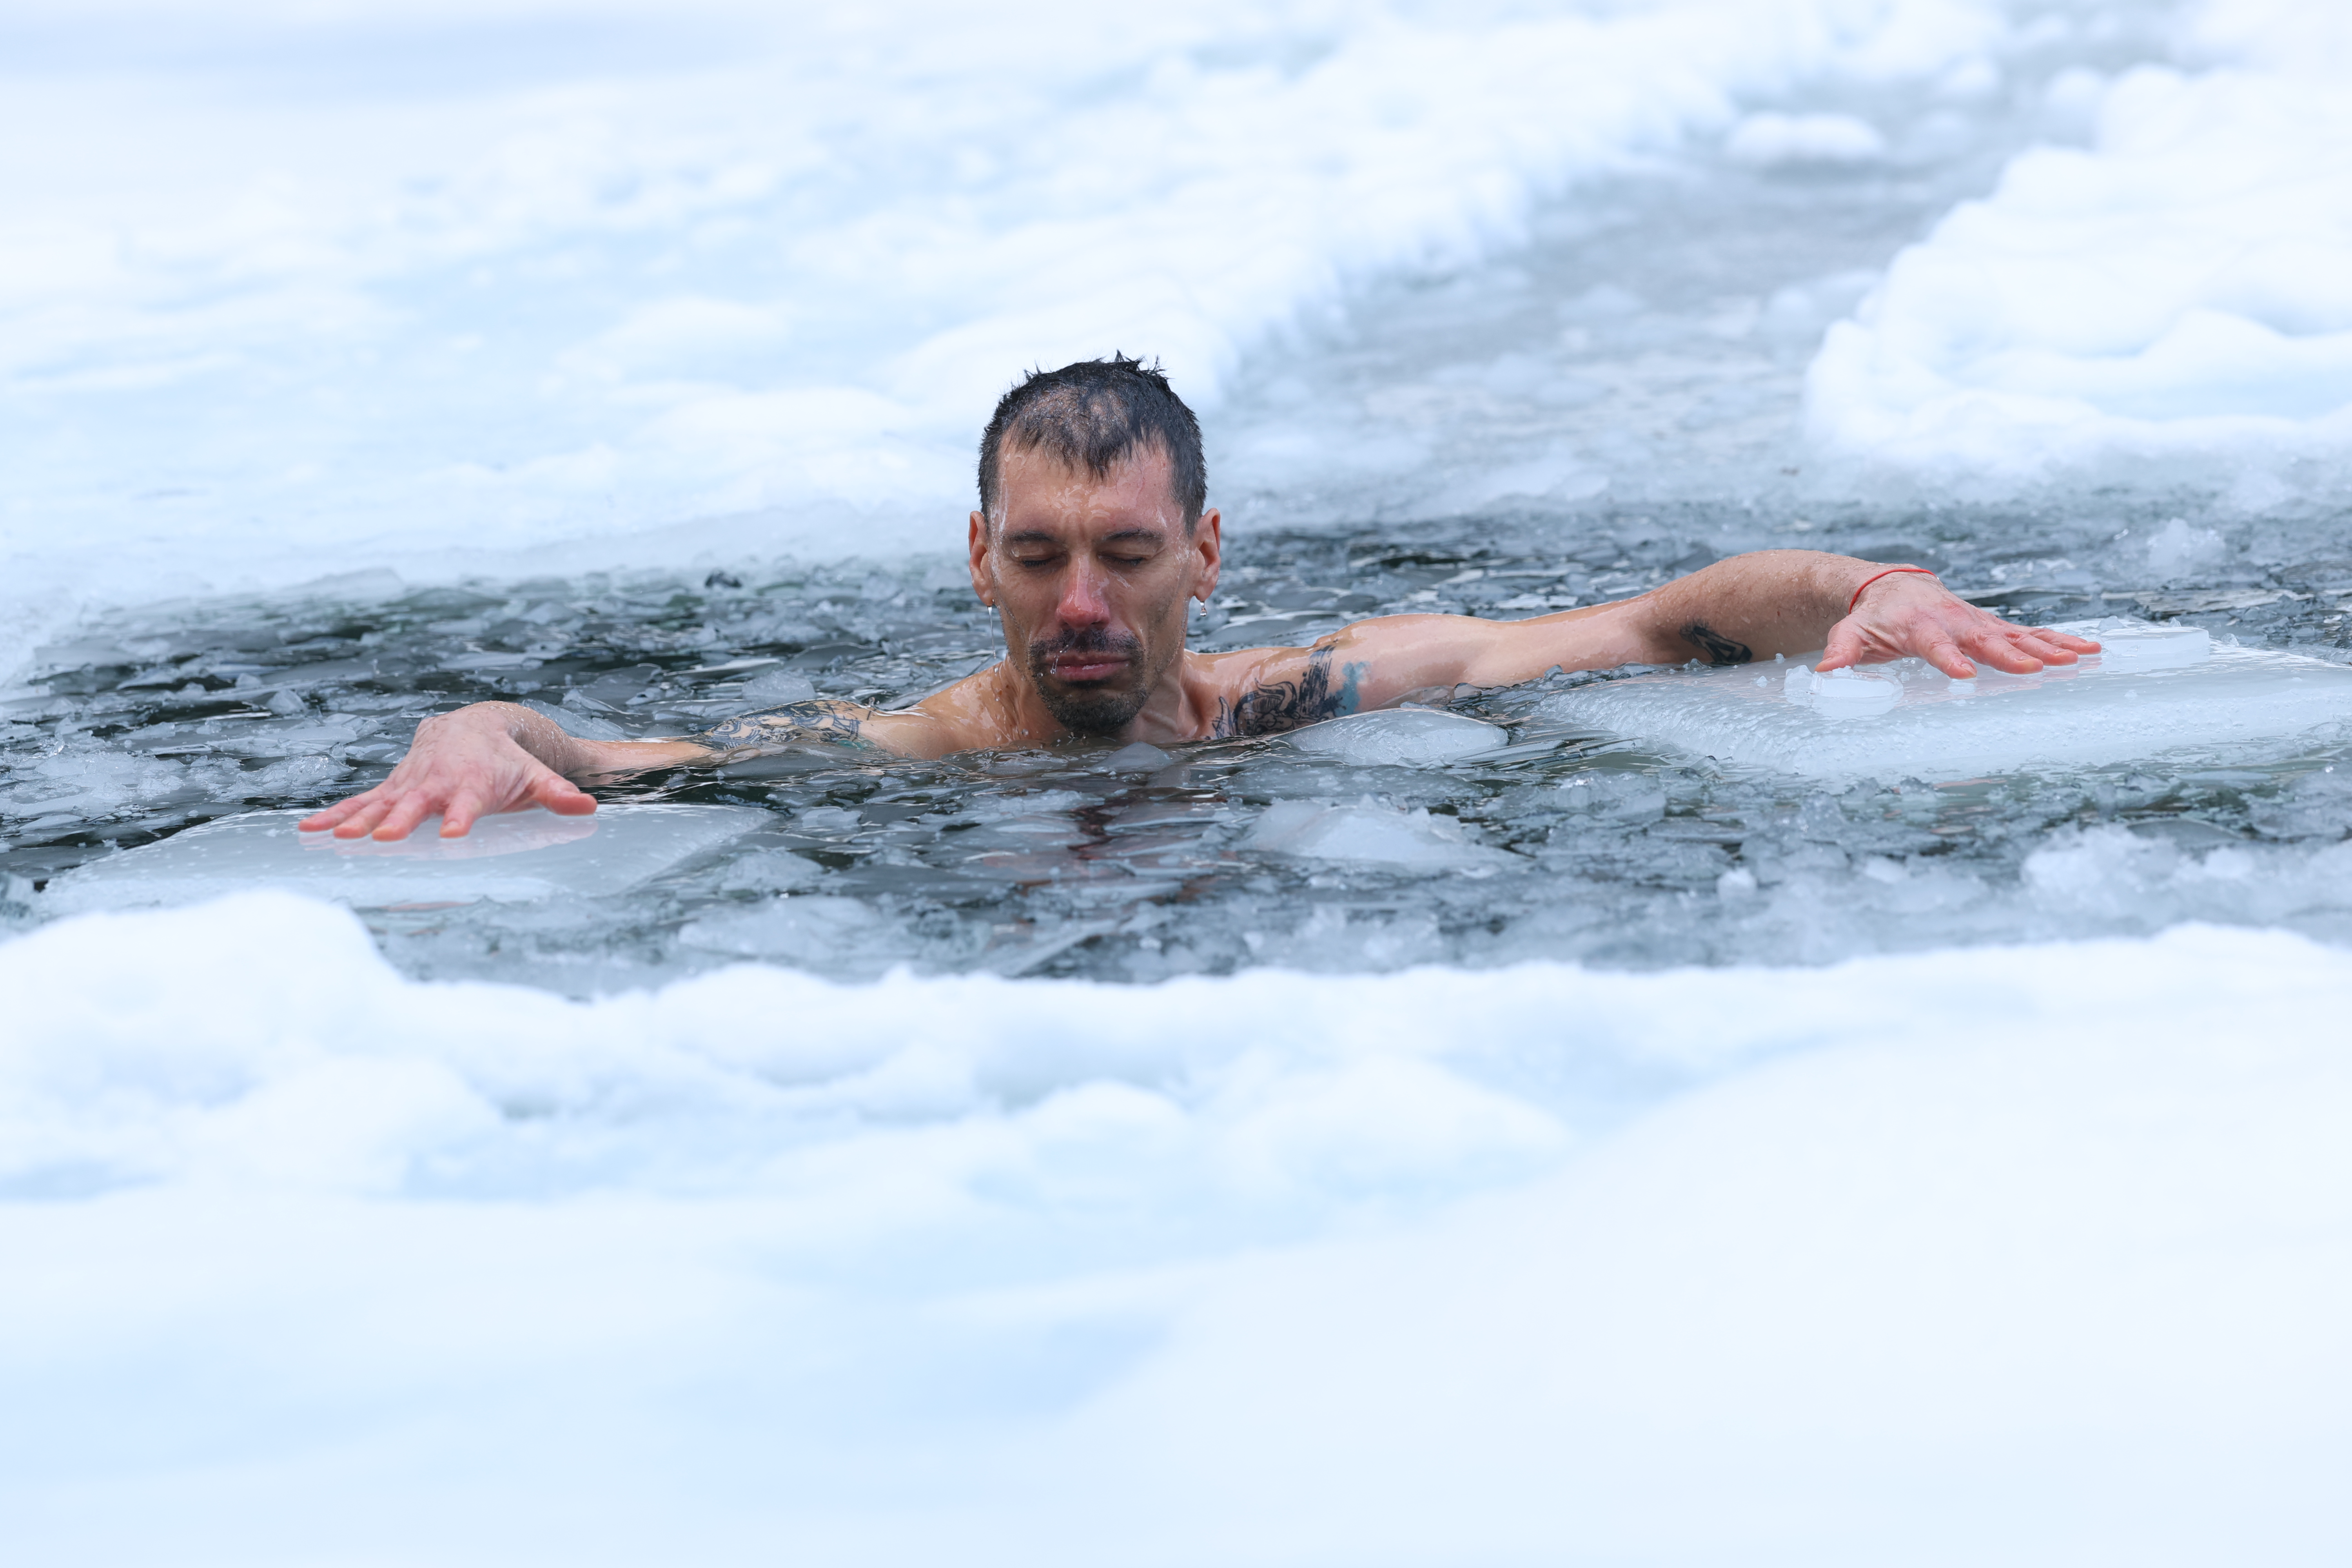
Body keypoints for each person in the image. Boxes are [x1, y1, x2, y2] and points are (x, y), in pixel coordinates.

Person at [302, 354, 2097, 842]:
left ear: (1206, 554)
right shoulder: (921, 749)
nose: (1081, 599)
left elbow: (1664, 619)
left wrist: (1877, 584)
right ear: (982, 560)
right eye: (1038, 557)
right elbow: (605, 756)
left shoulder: (1302, 692)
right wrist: (468, 729)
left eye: (1128, 554)